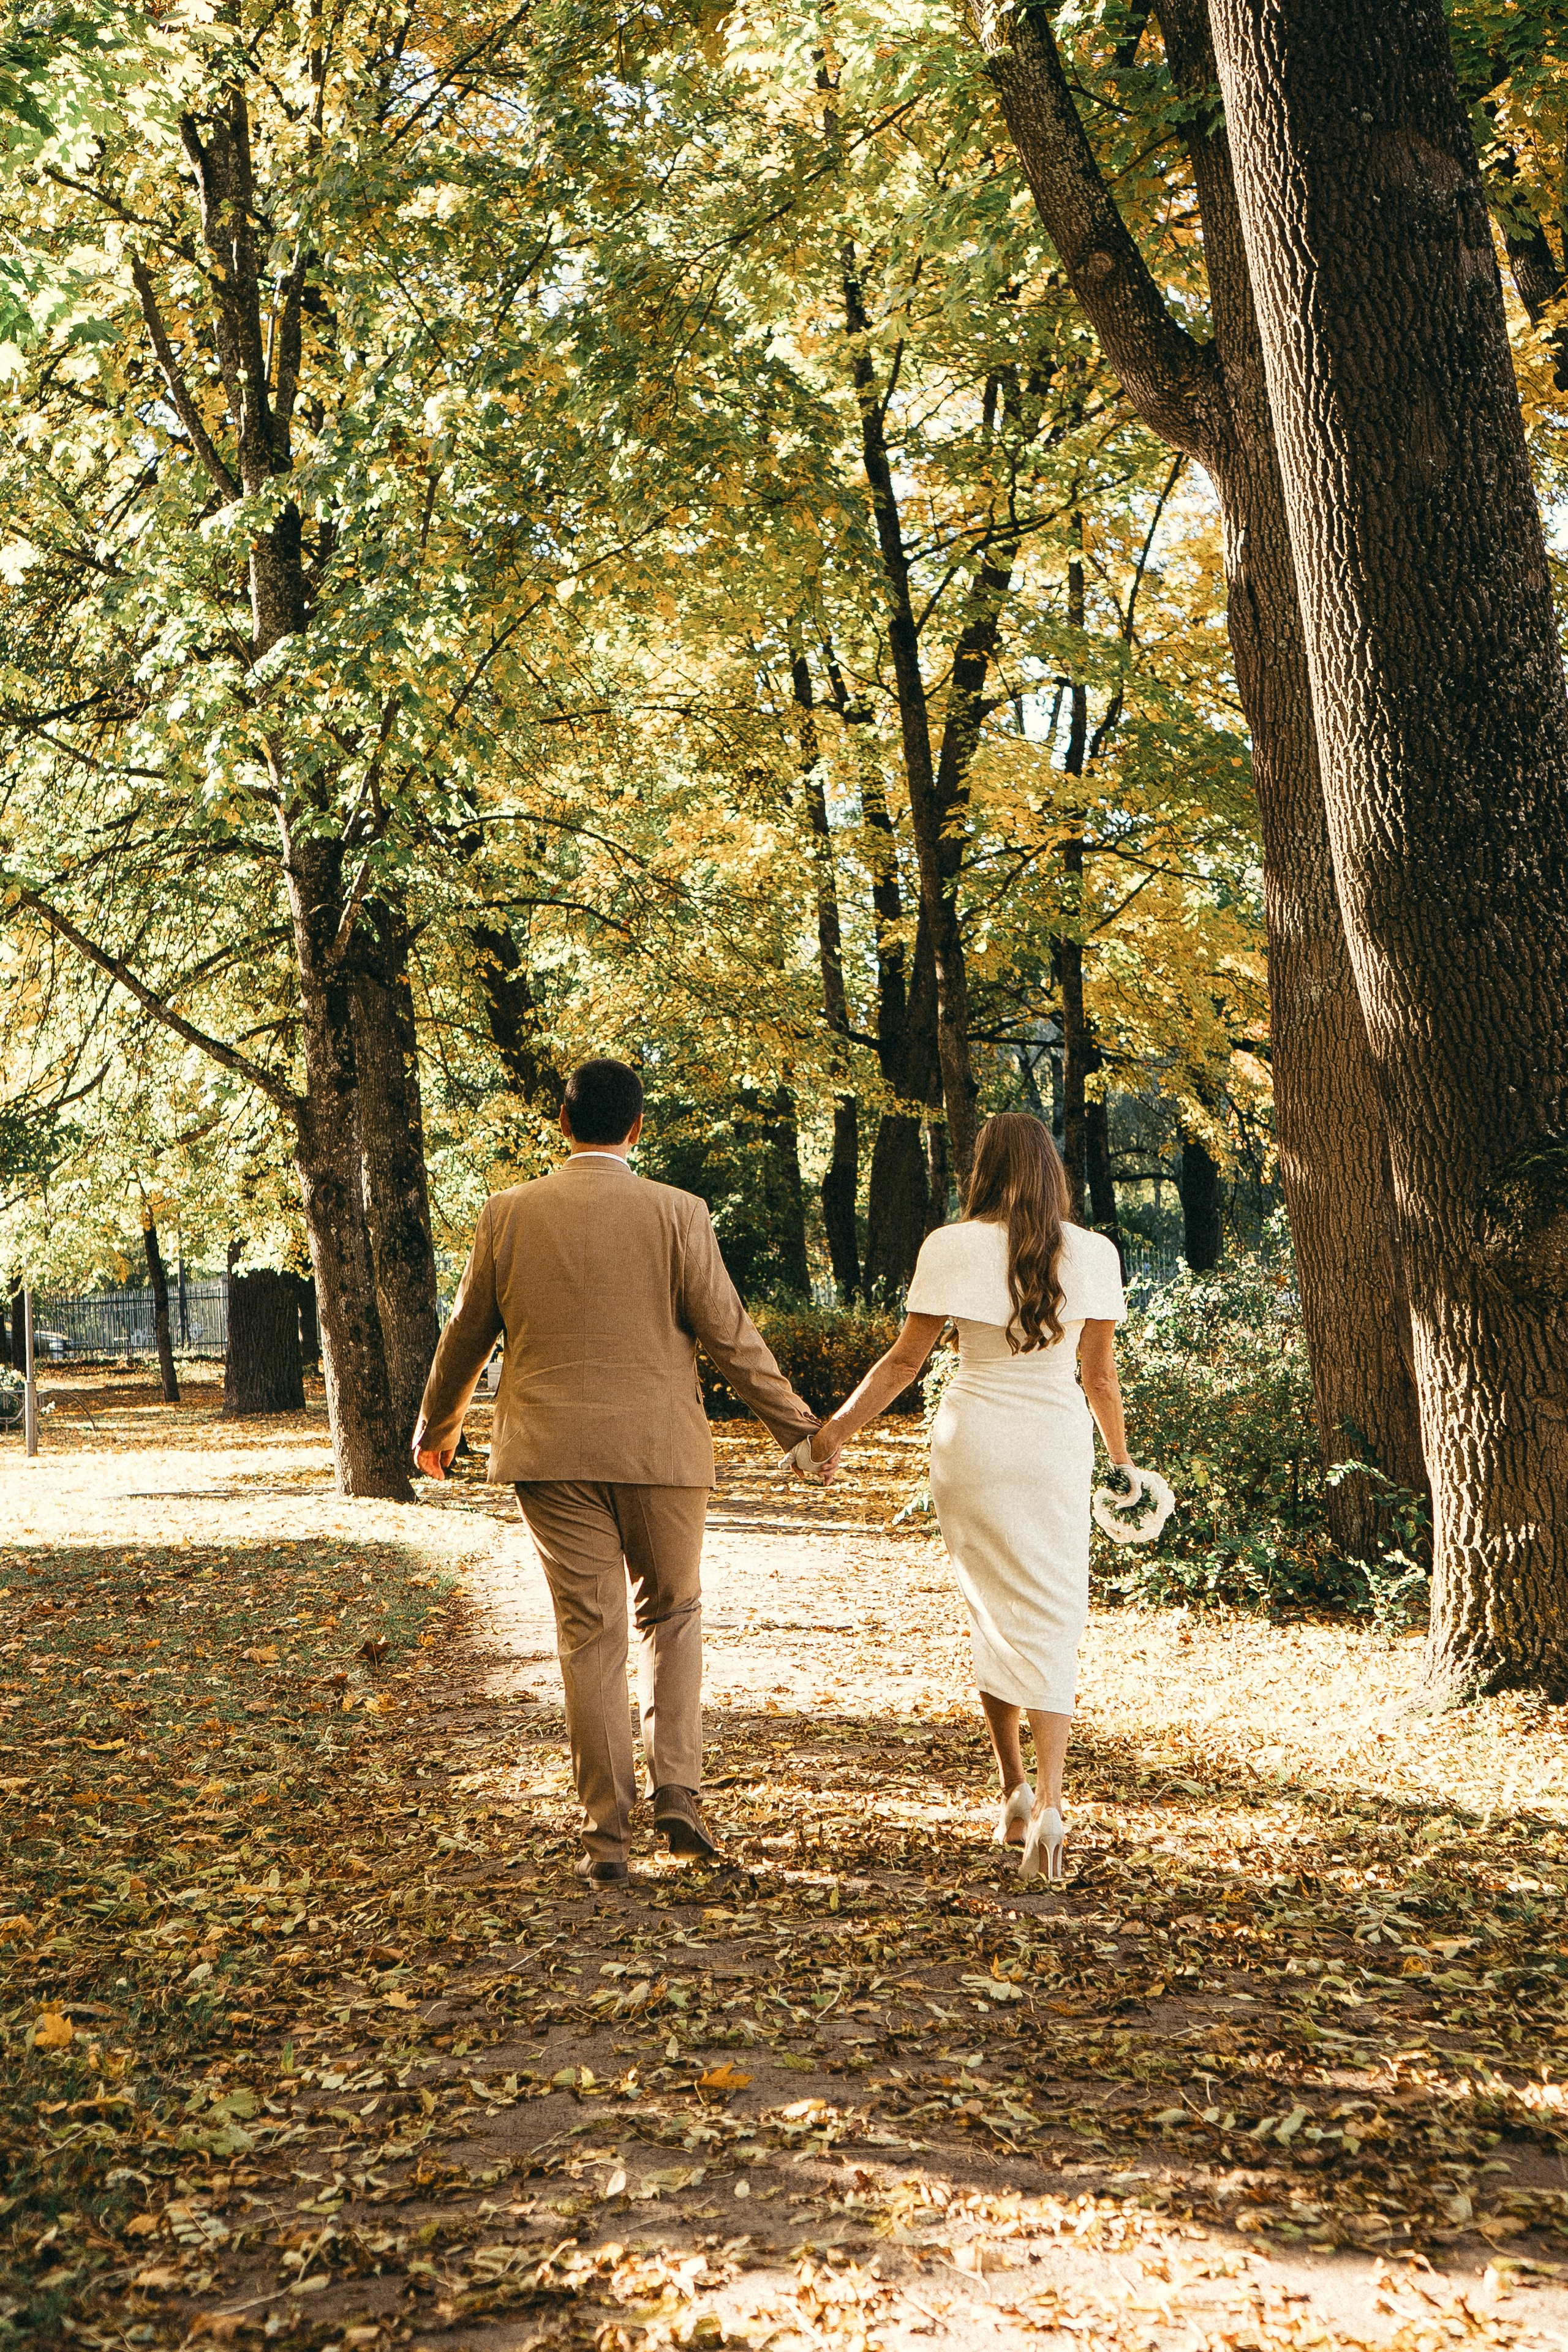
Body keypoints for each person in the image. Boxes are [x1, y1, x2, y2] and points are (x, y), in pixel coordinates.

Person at [412, 1058, 825, 1883]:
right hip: (663, 1453)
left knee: (590, 1638)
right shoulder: (679, 1213)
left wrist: (438, 1429)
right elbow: (729, 1333)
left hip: (551, 1454)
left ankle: (606, 1835)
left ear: (563, 1124)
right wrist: (800, 1431)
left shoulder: (508, 1213)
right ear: (638, 1127)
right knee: (673, 1613)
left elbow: (466, 1335)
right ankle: (679, 1790)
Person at [804, 1112, 1130, 1884]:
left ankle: (1012, 1788)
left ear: (980, 1166)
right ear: (1052, 1169)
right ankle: (1050, 1805)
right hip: (1054, 1444)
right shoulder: (1094, 1252)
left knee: (990, 1607)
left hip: (973, 1438)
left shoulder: (949, 1245)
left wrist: (831, 1435)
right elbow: (1100, 1378)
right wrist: (1121, 1465)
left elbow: (903, 1363)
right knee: (1053, 1611)